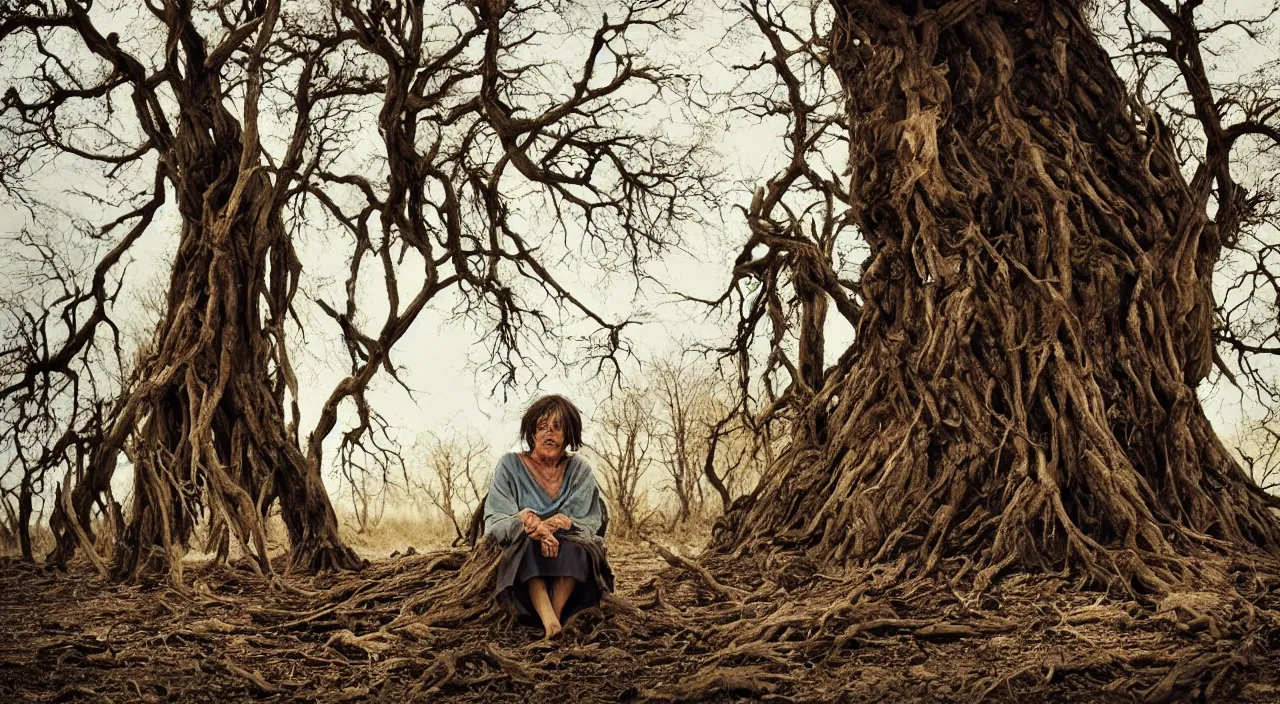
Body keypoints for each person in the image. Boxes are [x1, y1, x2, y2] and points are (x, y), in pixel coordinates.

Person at [483, 394, 614, 638]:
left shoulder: (580, 470)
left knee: (580, 548)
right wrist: (527, 523)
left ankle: (556, 614)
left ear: (569, 434)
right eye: (541, 427)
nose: (548, 434)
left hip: (568, 559)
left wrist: (561, 524)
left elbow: (589, 522)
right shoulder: (509, 466)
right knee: (528, 545)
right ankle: (549, 620)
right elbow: (494, 522)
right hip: (522, 563)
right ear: (531, 433)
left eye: (557, 428)